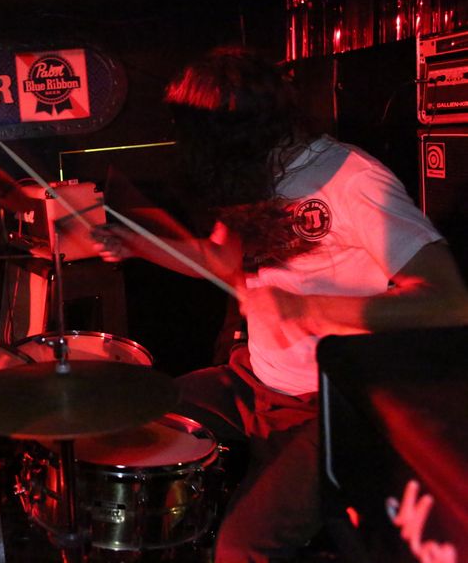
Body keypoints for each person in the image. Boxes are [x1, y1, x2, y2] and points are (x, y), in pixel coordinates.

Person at [93, 46, 468, 562]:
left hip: (330, 403)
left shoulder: (354, 178)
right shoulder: (255, 173)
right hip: (254, 381)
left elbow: (448, 301)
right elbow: (221, 261)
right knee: (125, 415)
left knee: (242, 548)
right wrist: (135, 244)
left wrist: (306, 309)